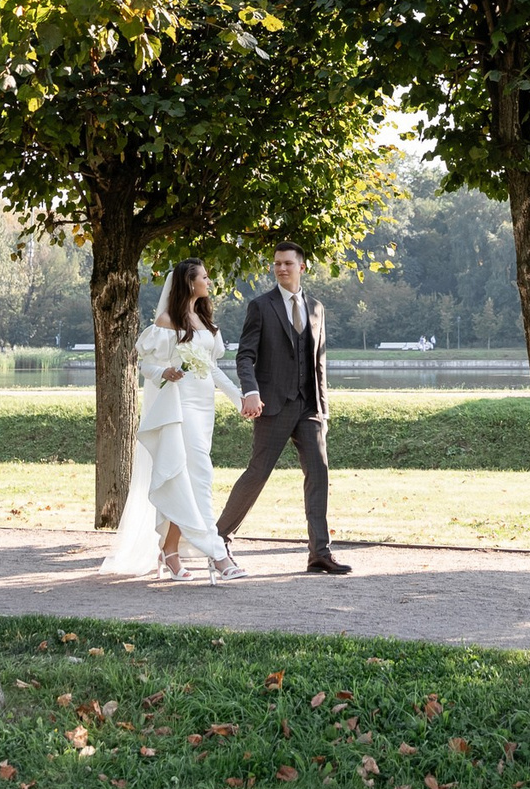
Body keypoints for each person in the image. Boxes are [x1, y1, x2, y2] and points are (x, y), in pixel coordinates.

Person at [100, 258, 248, 582]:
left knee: (186, 478)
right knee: (200, 476)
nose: (208, 282)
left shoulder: (205, 321)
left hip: (204, 408)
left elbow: (213, 369)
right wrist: (164, 372)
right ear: (188, 282)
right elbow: (146, 366)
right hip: (180, 408)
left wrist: (239, 399)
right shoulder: (167, 322)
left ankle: (170, 552)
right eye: (204, 278)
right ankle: (217, 553)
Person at [215, 242, 351, 574]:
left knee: (318, 474)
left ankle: (319, 552)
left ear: (301, 267)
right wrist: (250, 391)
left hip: (310, 407)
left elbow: (319, 362)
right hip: (273, 405)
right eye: (277, 264)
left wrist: (323, 409)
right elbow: (245, 355)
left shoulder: (317, 308)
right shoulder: (261, 306)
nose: (281, 269)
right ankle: (217, 539)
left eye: (288, 263)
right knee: (257, 474)